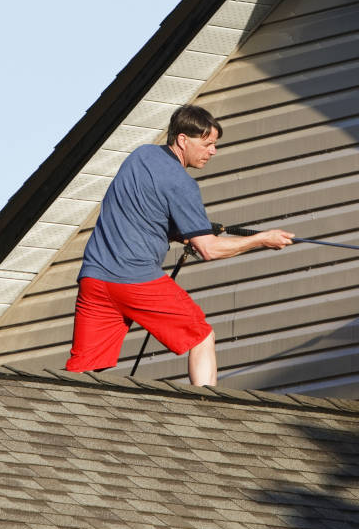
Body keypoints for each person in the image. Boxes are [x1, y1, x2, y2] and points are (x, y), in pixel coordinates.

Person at [64, 104, 293, 385]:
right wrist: (261, 239)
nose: (213, 151)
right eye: (207, 144)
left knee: (84, 367)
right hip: (136, 280)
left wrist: (181, 232)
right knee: (201, 336)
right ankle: (206, 410)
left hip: (94, 280)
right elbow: (209, 249)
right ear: (183, 140)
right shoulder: (182, 184)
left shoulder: (141, 156)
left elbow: (143, 214)